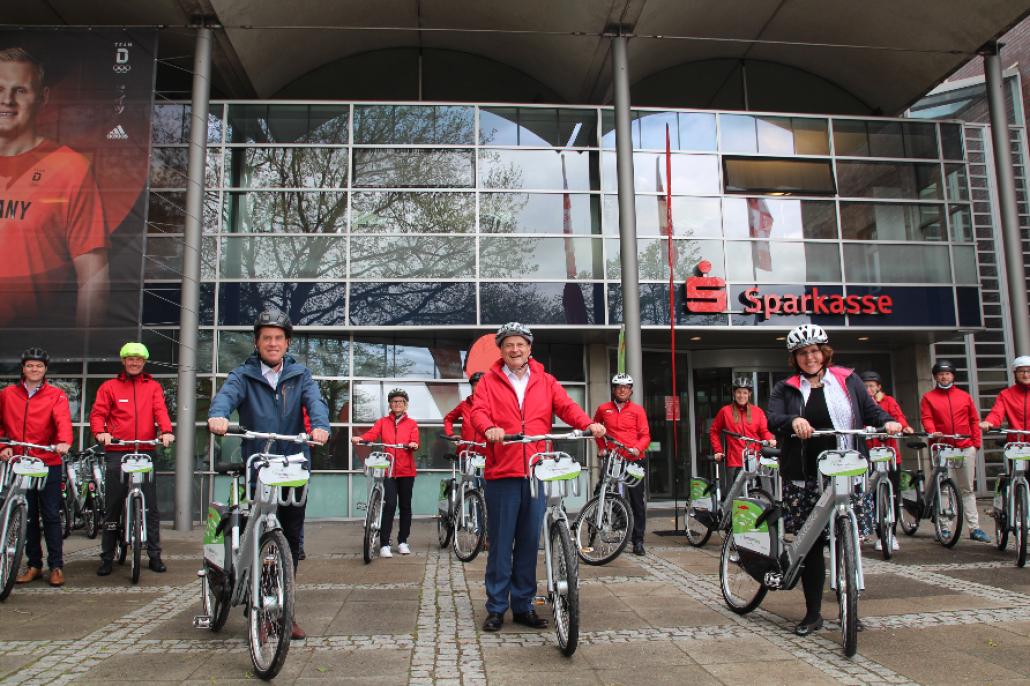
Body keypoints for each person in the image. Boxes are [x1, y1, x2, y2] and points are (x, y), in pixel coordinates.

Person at [470, 322, 605, 632]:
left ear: (530, 348)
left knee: (530, 543)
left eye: (520, 344)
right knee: (502, 543)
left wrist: (588, 424)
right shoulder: (489, 382)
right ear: (501, 350)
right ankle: (496, 607)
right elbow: (478, 411)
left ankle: (523, 605)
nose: (515, 349)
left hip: (535, 471)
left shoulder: (545, 380)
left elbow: (567, 407)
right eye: (509, 345)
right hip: (502, 471)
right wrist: (489, 428)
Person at [767, 324, 900, 637]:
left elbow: (870, 411)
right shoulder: (785, 388)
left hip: (845, 470)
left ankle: (848, 609)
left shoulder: (846, 379)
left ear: (824, 353)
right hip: (804, 475)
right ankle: (813, 613)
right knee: (810, 546)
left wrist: (887, 422)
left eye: (814, 351)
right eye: (802, 353)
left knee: (846, 539)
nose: (809, 357)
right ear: (795, 358)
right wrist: (793, 420)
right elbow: (772, 418)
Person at [208, 309, 330, 640]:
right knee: (257, 534)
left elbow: (315, 402)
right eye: (267, 338)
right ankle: (258, 610)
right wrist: (218, 416)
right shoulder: (243, 375)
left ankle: (283, 610)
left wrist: (320, 426)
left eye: (278, 338)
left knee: (290, 541)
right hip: (259, 466)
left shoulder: (300, 374)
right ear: (257, 342)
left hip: (291, 466)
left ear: (287, 343)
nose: (273, 343)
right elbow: (225, 398)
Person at [0, 47, 109, 328]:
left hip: (26, 344)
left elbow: (93, 277)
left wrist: (83, 352)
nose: (7, 100)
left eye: (20, 90)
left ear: (43, 97)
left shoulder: (69, 168)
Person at [90, 342, 175, 576]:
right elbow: (98, 414)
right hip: (118, 451)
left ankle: (155, 556)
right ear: (123, 361)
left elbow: (160, 411)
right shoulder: (110, 387)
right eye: (130, 359)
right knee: (113, 505)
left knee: (151, 506)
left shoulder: (153, 387)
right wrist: (101, 433)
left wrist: (165, 431)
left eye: (139, 359)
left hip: (145, 450)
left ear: (144, 362)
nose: (134, 362)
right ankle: (107, 557)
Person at [0, 348, 72, 587]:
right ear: (23, 368)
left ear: (45, 369)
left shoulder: (56, 395)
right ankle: (33, 565)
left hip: (47, 461)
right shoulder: (8, 394)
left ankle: (56, 566)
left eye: (39, 366)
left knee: (50, 514)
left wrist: (63, 443)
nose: (34, 370)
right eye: (30, 365)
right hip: (20, 462)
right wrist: (3, 446)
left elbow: (63, 420)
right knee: (26, 516)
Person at [920, 359, 989, 543]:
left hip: (965, 446)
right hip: (943, 446)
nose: (944, 377)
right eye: (941, 374)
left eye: (947, 373)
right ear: (935, 377)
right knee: (944, 489)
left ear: (953, 376)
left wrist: (975, 443)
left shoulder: (964, 396)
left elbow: (974, 420)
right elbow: (926, 418)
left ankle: (975, 528)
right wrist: (932, 432)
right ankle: (944, 528)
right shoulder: (929, 397)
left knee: (967, 489)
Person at [352, 388, 419, 558]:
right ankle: (384, 543)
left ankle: (403, 541)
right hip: (389, 470)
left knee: (405, 506)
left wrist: (412, 444)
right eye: (394, 401)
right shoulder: (383, 422)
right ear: (390, 404)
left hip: (406, 471)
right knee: (389, 505)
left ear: (405, 405)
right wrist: (362, 439)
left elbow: (415, 440)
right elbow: (372, 434)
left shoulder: (412, 424)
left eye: (400, 402)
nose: (397, 404)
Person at [594, 373, 651, 555]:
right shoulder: (604, 409)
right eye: (618, 386)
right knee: (601, 493)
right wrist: (602, 447)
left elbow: (645, 435)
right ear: (613, 389)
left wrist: (637, 448)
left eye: (626, 387)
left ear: (631, 390)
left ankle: (638, 540)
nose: (622, 389)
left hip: (634, 459)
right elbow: (596, 429)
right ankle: (597, 528)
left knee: (636, 500)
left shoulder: (637, 410)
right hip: (612, 459)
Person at [860, 371, 914, 551]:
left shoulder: (889, 401)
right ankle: (877, 533)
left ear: (878, 387)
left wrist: (904, 427)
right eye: (865, 386)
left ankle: (891, 535)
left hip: (890, 455)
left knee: (892, 495)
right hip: (869, 455)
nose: (869, 389)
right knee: (872, 495)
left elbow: (899, 417)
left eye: (872, 385)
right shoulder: (860, 404)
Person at [708, 376, 775, 494]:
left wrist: (770, 439)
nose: (741, 395)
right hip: (735, 461)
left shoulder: (757, 411)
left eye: (745, 392)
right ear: (734, 393)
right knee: (734, 496)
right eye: (738, 392)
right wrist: (718, 450)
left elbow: (764, 430)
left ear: (749, 394)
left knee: (758, 493)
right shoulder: (725, 411)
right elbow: (714, 431)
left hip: (755, 459)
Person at [980, 355, 1030, 437]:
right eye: (1021, 371)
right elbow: (997, 413)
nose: (1025, 375)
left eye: (1029, 371)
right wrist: (989, 422)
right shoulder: (1006, 394)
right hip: (1016, 443)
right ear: (1015, 373)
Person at [443, 371, 486, 449]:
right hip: (465, 452)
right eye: (474, 385)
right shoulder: (464, 405)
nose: (477, 388)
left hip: (485, 453)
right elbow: (448, 419)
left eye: (480, 385)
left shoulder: (492, 406)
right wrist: (450, 434)